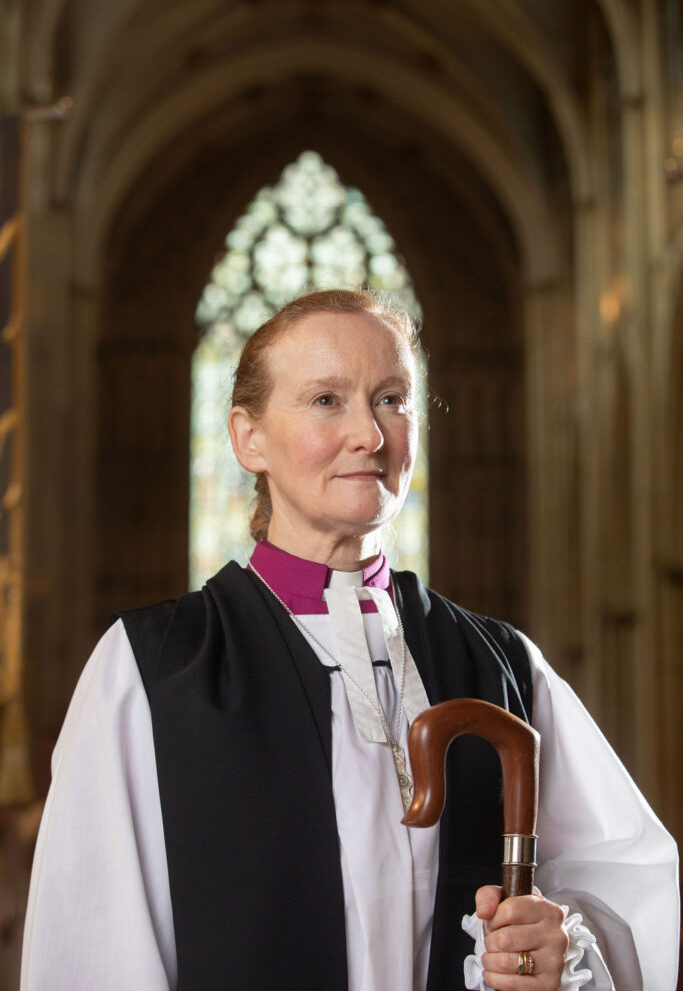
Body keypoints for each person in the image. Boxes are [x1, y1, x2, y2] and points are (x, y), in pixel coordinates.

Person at [21, 289, 679, 991]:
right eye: (326, 400)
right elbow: (92, 949)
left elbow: (630, 888)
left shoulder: (500, 663)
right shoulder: (152, 669)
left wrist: (560, 945)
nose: (368, 433)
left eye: (391, 398)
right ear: (249, 438)